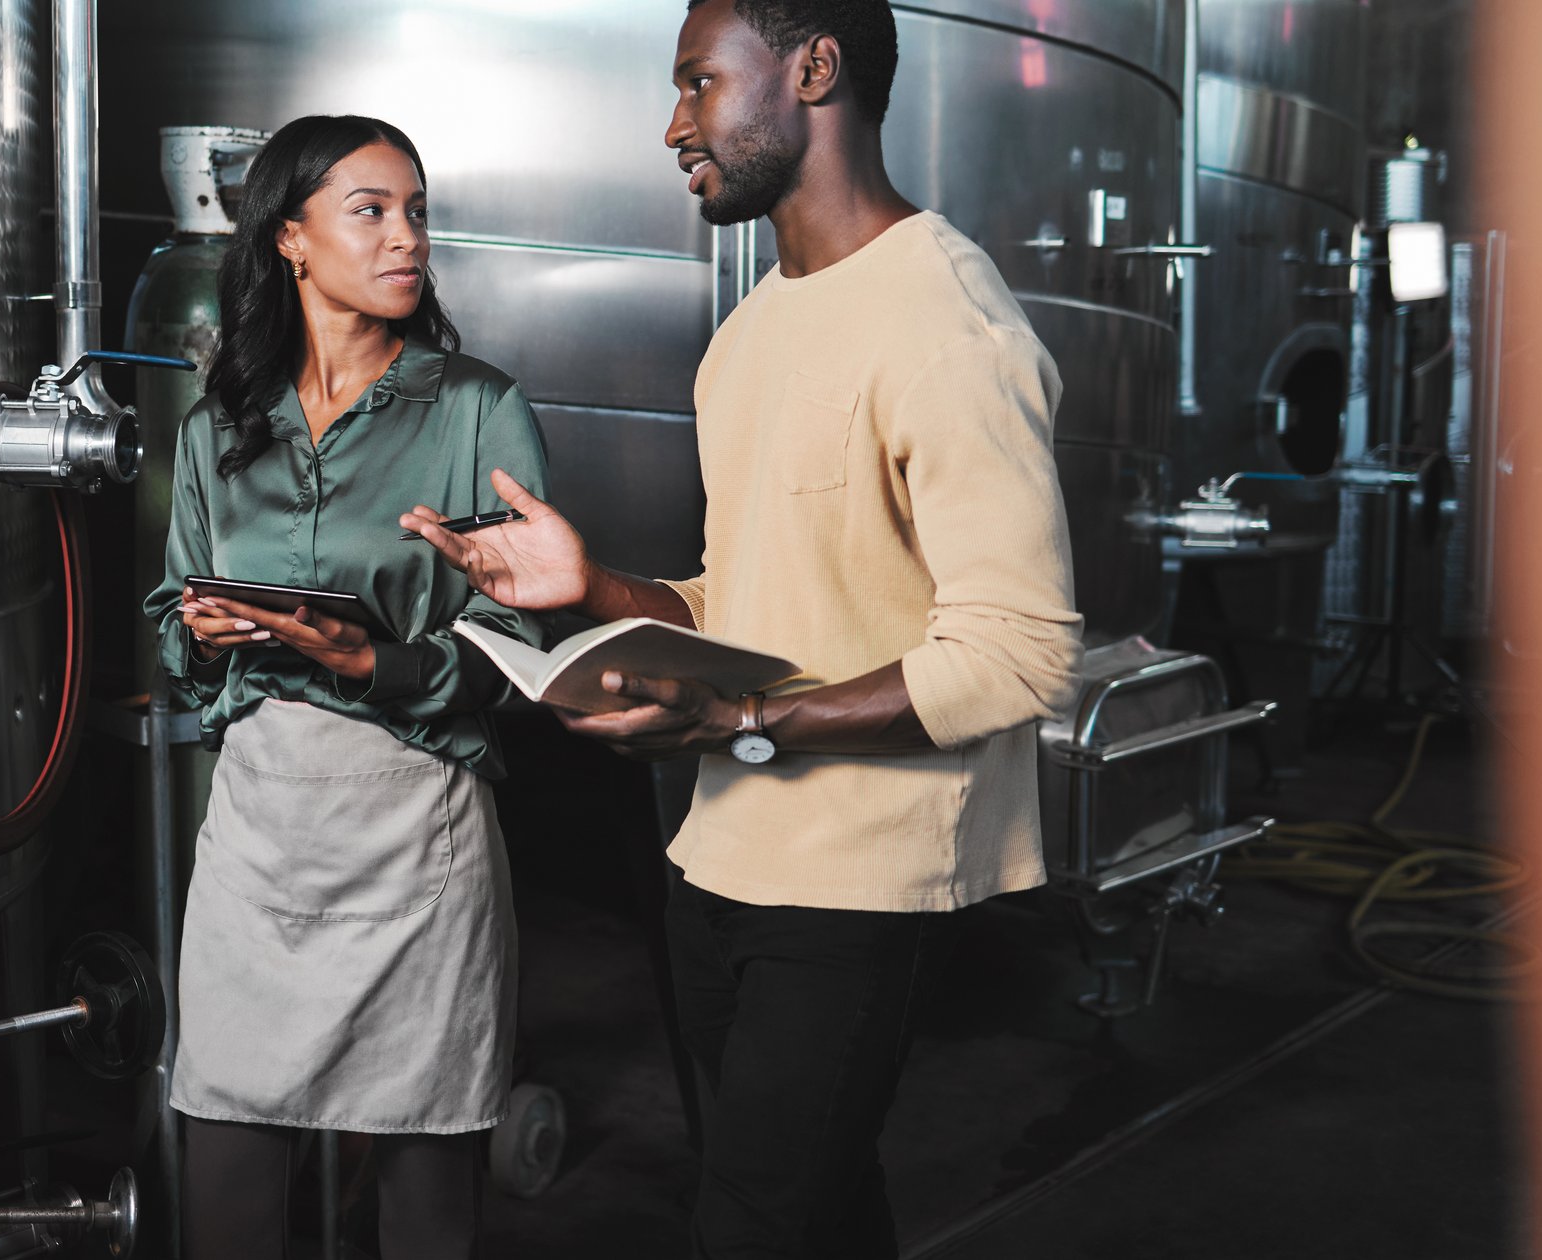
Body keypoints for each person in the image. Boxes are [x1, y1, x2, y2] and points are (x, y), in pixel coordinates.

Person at [401, 1, 1084, 1255]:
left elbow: (1018, 649)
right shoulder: (752, 331)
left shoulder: (946, 328)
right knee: (810, 1211)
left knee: (750, 1224)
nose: (673, 125)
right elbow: (743, 604)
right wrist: (590, 587)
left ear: (811, 70)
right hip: (717, 858)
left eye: (698, 84)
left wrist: (753, 722)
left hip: (857, 883)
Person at [142, 114, 549, 1260]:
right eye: (368, 211)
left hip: (415, 829)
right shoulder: (223, 418)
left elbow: (521, 640)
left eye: (414, 210)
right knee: (223, 1184)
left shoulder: (475, 408)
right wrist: (207, 632)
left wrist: (378, 661)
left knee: (425, 1194)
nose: (405, 236)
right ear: (290, 241)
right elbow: (168, 624)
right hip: (259, 830)